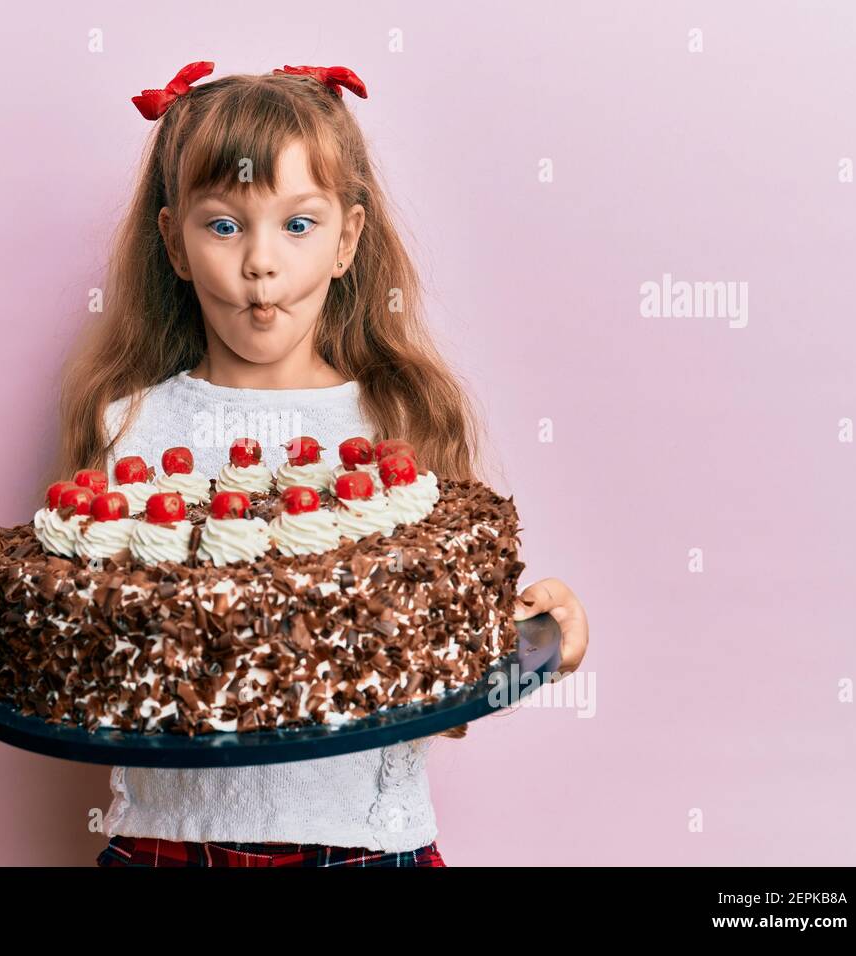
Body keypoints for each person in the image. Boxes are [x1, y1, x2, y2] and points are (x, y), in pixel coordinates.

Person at [37, 61, 587, 867]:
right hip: (169, 843)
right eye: (224, 226)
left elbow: (444, 693)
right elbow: (80, 649)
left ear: (347, 240)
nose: (261, 263)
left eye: (299, 225)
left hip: (365, 847)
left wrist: (541, 641)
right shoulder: (129, 426)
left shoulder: (399, 422)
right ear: (174, 244)